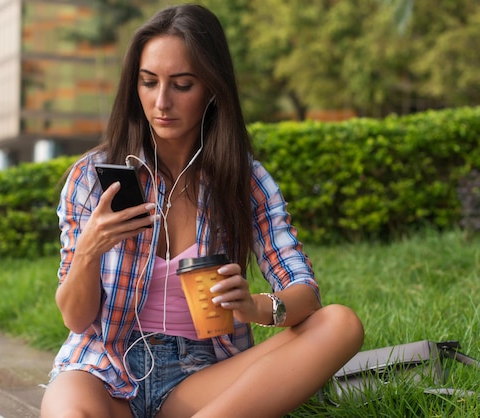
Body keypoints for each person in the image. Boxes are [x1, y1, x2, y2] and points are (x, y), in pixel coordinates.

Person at [41, 4, 364, 418]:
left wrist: (257, 307)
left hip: (204, 378)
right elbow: (76, 317)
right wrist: (89, 250)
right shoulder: (92, 177)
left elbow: (304, 291)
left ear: (212, 88)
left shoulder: (244, 179)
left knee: (340, 324)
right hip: (105, 368)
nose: (161, 102)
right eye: (148, 82)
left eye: (182, 85)